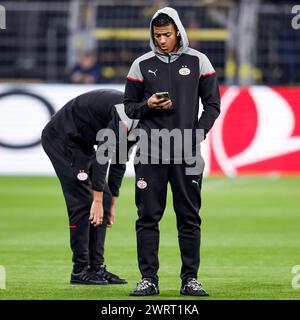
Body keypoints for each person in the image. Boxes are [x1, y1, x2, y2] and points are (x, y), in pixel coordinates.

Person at [124, 7, 220, 296]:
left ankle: (190, 279)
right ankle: (148, 280)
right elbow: (128, 108)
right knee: (147, 217)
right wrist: (147, 106)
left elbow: (213, 105)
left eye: (166, 34)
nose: (162, 40)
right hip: (149, 154)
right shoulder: (141, 64)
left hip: (187, 153)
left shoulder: (199, 62)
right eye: (157, 35)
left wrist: (196, 135)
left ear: (178, 30)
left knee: (189, 218)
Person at [41, 89, 138, 285]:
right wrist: (97, 200)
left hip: (81, 144)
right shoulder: (126, 115)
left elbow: (119, 162)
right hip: (61, 138)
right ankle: (80, 270)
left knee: (105, 198)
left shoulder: (141, 125)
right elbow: (103, 157)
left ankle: (96, 268)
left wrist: (112, 204)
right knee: (84, 202)